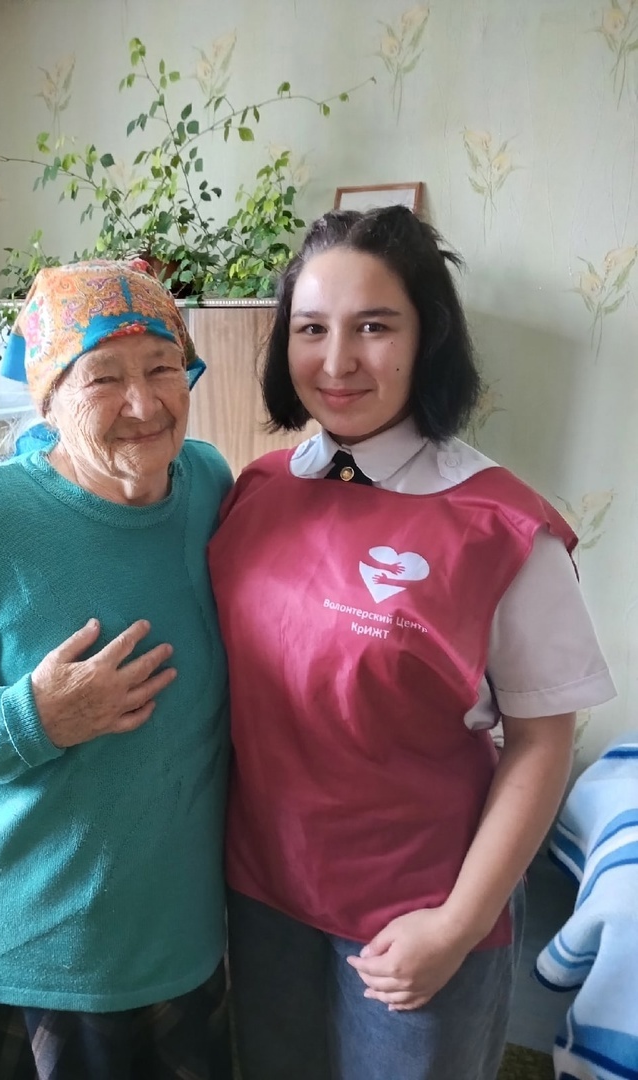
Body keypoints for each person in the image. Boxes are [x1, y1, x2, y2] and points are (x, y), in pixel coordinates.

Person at [207, 207, 616, 1080]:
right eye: (311, 329)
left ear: (428, 336)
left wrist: (458, 925)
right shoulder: (256, 491)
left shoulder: (501, 526)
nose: (337, 361)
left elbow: (542, 741)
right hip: (262, 893)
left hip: (417, 915)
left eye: (374, 326)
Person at [0, 259, 234, 1080]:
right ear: (50, 399)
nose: (145, 404)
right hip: (35, 948)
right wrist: (33, 718)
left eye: (163, 367)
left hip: (177, 931)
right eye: (104, 377)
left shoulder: (208, 483)